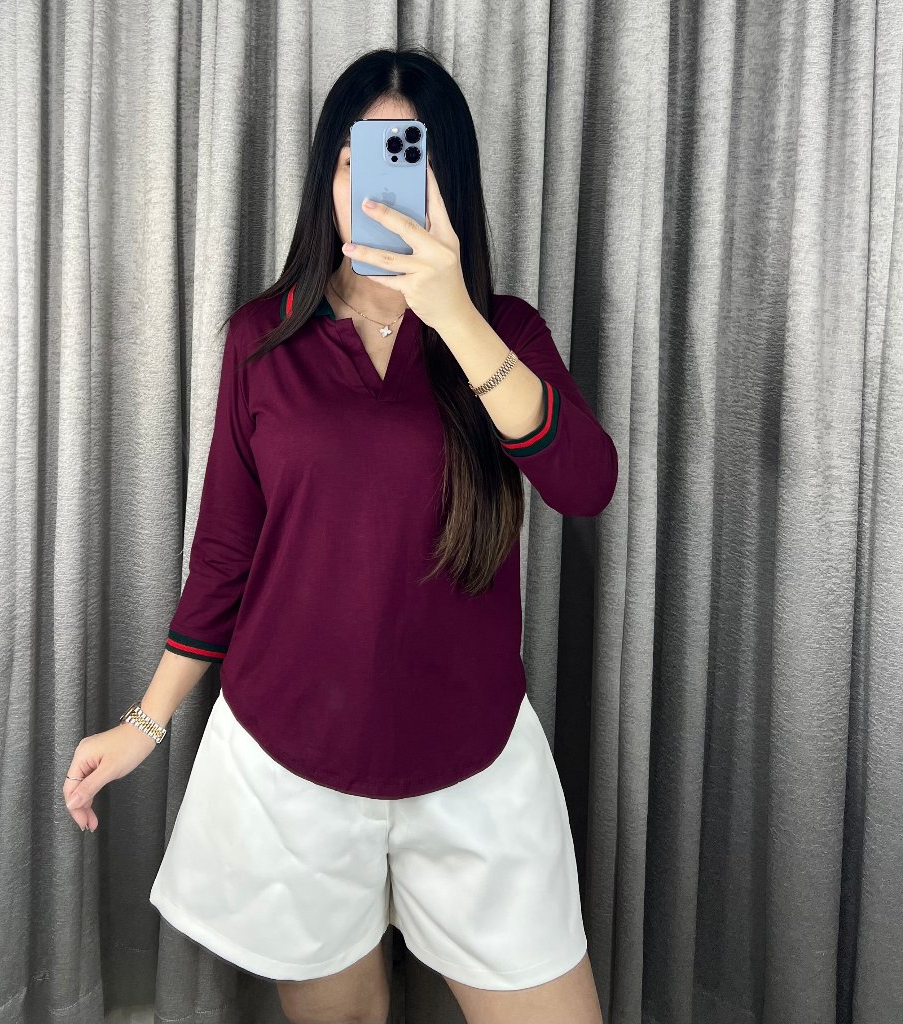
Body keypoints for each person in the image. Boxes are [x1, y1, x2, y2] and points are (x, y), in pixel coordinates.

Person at [63, 45, 615, 1024]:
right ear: (327, 176)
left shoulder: (506, 331)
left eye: (408, 160)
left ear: (448, 182)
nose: (375, 188)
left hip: (474, 754)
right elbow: (225, 553)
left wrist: (455, 316)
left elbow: (585, 484)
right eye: (356, 160)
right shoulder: (262, 337)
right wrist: (144, 723)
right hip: (290, 761)